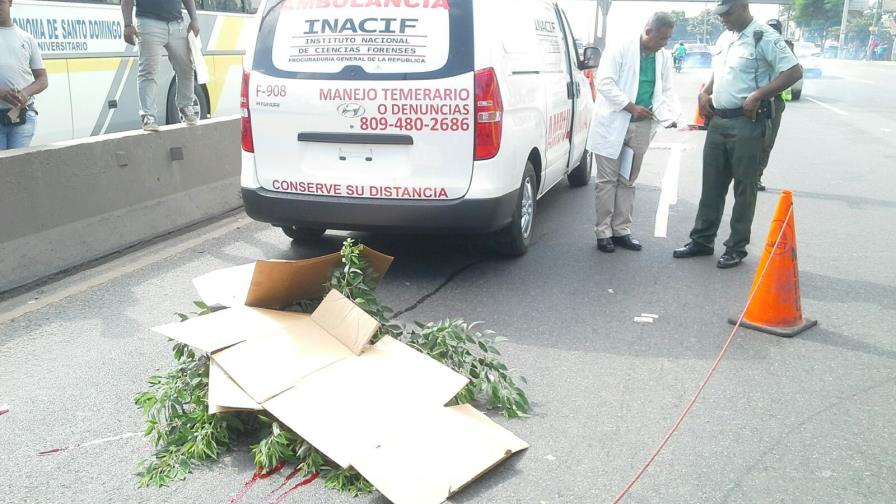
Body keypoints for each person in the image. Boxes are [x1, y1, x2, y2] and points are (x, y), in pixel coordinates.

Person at [673, 0, 801, 269]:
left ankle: (736, 246)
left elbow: (793, 71)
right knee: (712, 185)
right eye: (720, 14)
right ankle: (702, 240)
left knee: (745, 188)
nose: (723, 19)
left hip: (748, 123)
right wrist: (705, 90)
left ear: (743, 7)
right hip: (719, 121)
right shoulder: (725, 36)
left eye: (728, 13)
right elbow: (719, 70)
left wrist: (758, 94)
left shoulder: (763, 36)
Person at [587, 12, 679, 253]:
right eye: (662, 38)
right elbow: (604, 83)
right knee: (607, 181)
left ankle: (621, 230)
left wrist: (670, 116)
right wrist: (630, 106)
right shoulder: (620, 48)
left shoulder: (663, 57)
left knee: (628, 180)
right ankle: (603, 232)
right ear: (648, 31)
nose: (665, 44)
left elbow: (666, 90)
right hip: (614, 121)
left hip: (641, 126)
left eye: (668, 39)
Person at [121, 0, 200, 132]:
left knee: (186, 67)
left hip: (177, 23)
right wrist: (127, 24)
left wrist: (194, 19)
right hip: (148, 22)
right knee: (148, 71)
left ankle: (186, 106)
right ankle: (148, 116)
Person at [0, 0, 48, 150]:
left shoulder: (26, 38)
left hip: (23, 117)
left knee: (18, 168)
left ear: (10, 3)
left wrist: (24, 93)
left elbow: (42, 79)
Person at [756, 18, 796, 191]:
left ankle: (756, 177)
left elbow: (793, 71)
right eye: (769, 28)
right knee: (750, 141)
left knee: (767, 142)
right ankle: (744, 175)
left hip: (774, 102)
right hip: (755, 99)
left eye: (775, 29)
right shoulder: (757, 42)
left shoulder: (784, 47)